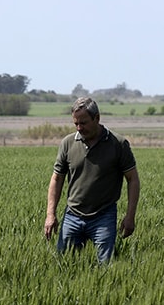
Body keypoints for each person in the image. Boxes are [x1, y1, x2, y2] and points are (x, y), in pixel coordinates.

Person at [44, 97, 140, 263]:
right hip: (72, 216)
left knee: (105, 266)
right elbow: (57, 179)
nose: (79, 128)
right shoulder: (68, 143)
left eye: (84, 123)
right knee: (64, 265)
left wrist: (130, 216)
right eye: (76, 124)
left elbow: (133, 179)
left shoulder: (118, 144)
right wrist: (50, 214)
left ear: (97, 118)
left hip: (103, 217)